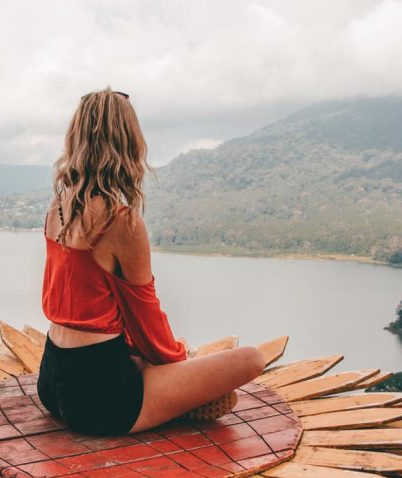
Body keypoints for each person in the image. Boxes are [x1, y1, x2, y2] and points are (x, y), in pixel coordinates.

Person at [37, 87, 265, 436]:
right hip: (101, 401)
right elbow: (147, 323)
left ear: (76, 138)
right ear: (129, 143)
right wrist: (181, 362)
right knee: (251, 359)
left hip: (52, 381)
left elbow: (80, 306)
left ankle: (173, 396)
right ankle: (182, 400)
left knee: (140, 361)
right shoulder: (122, 223)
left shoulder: (58, 207)